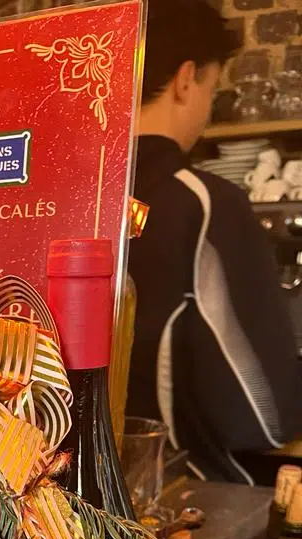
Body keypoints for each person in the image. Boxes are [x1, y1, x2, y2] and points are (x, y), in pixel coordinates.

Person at [127, 0, 302, 483]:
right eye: (212, 88)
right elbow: (263, 417)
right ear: (186, 80)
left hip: (60, 493)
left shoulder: (72, 194)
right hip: (180, 496)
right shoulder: (203, 203)